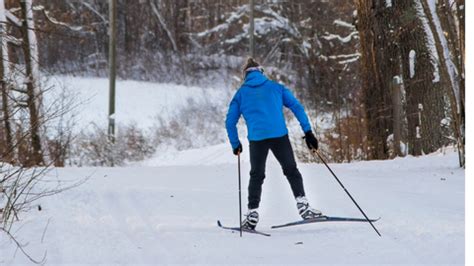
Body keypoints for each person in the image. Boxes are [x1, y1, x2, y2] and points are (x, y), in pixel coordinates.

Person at [225, 58, 322, 230]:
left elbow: (230, 121)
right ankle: (304, 207)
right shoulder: (276, 88)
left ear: (245, 75)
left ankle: (252, 214)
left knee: (257, 175)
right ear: (261, 72)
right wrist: (308, 132)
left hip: (257, 139)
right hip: (279, 136)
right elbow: (297, 107)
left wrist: (235, 143)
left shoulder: (240, 94)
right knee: (291, 170)